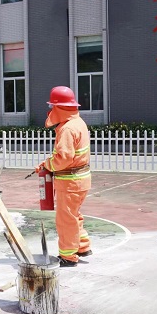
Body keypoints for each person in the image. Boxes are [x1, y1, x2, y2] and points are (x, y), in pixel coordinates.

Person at [35, 86, 91, 267]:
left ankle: (68, 256)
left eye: (52, 106)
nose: (51, 110)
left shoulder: (67, 129)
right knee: (74, 215)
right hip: (81, 180)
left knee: (66, 219)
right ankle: (82, 246)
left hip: (70, 183)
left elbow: (64, 158)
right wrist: (48, 164)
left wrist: (47, 165)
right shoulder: (79, 122)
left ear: (59, 107)